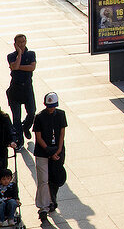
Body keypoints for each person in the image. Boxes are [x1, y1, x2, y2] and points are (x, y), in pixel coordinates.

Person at [32, 91, 66, 222]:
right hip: (42, 152)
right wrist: (49, 151)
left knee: (55, 178)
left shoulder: (61, 114)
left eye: (53, 106)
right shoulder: (39, 117)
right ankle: (43, 207)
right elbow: (38, 137)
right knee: (43, 179)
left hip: (57, 151)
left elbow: (62, 133)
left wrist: (57, 151)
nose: (51, 109)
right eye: (49, 106)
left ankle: (52, 200)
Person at [7, 34, 35, 149]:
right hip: (15, 89)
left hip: (27, 88)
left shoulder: (31, 54)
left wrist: (18, 67)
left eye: (23, 42)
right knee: (16, 117)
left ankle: (26, 127)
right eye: (19, 43)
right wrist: (19, 54)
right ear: (15, 44)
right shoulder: (11, 56)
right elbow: (15, 66)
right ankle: (19, 140)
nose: (22, 44)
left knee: (32, 111)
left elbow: (32, 68)